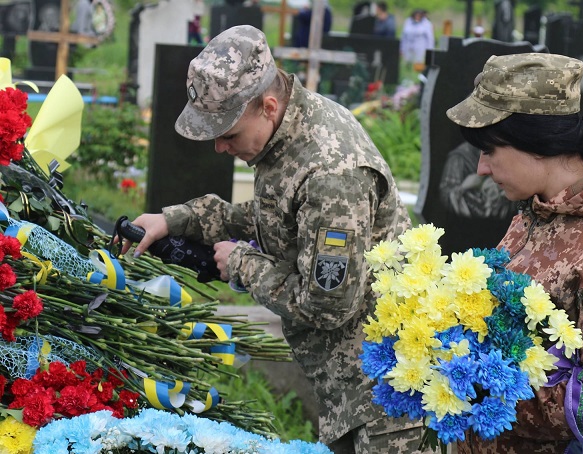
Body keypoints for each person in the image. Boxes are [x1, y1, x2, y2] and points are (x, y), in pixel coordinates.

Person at [122, 25, 426, 453]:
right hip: (351, 388)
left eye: (228, 134)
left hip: (384, 399)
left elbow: (327, 304)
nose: (220, 148)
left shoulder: (331, 173)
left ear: (267, 106)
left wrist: (242, 264)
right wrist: (178, 220)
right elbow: (278, 215)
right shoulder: (289, 128)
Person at [446, 53, 583, 453]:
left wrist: (477, 384)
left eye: (490, 150)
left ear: (538, 144)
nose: (480, 169)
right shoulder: (539, 213)